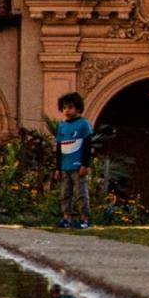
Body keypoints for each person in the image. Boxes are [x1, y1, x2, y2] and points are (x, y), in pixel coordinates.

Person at [52, 88, 95, 225]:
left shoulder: (84, 124)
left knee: (80, 193)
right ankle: (66, 217)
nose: (67, 110)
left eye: (70, 107)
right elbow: (59, 148)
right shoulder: (62, 127)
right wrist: (57, 168)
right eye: (64, 107)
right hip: (65, 166)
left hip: (78, 166)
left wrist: (85, 164)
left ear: (77, 108)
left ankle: (84, 218)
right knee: (65, 193)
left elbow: (88, 145)